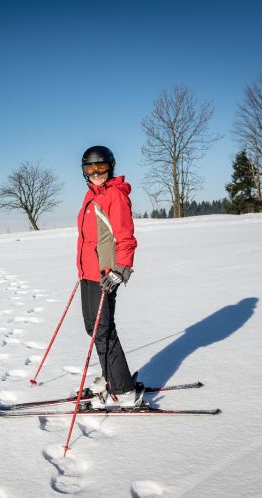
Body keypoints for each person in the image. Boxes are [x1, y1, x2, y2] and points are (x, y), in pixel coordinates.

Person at [76, 145, 142, 408]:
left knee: (103, 330)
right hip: (88, 273)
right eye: (90, 169)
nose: (96, 173)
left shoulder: (115, 196)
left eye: (101, 167)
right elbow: (90, 237)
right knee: (93, 328)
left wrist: (120, 270)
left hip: (105, 274)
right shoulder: (91, 195)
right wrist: (82, 268)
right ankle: (109, 376)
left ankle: (124, 389)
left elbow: (125, 237)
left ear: (110, 167)